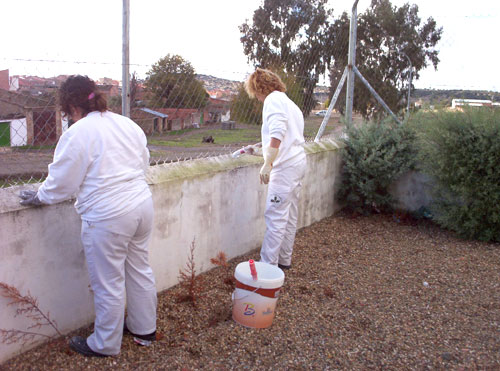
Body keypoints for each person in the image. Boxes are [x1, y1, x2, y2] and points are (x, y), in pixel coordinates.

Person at [19, 75, 157, 357]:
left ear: (70, 106)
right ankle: (145, 330)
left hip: (109, 216)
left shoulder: (78, 133)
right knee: (139, 268)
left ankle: (105, 344)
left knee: (108, 282)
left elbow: (63, 182)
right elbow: (143, 160)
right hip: (142, 205)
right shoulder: (125, 123)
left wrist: (40, 196)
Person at [244, 68, 307, 270]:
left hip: (285, 167)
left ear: (258, 88)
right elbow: (285, 137)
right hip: (297, 163)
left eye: (255, 94)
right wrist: (258, 150)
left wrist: (267, 164)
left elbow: (278, 132)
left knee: (275, 216)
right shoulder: (290, 104)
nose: (257, 99)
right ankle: (283, 260)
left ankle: (268, 266)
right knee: (289, 214)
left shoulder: (272, 100)